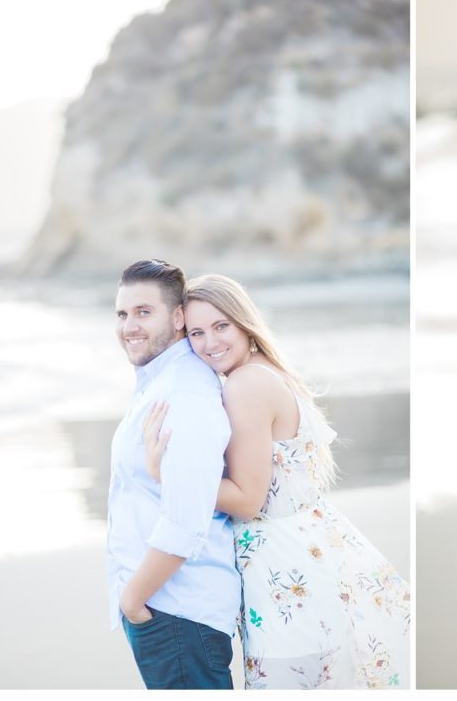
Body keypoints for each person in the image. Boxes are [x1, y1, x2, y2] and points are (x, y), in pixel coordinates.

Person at [143, 273, 410, 689]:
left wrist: (168, 476)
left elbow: (249, 500)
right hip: (316, 551)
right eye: (196, 332)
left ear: (244, 323)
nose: (210, 342)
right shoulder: (267, 371)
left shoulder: (245, 386)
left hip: (285, 573)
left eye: (221, 326)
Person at [107, 259, 240, 689]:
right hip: (164, 606)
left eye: (145, 312)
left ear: (179, 317)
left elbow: (187, 518)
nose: (129, 326)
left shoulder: (183, 393)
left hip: (176, 611)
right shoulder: (157, 382)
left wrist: (134, 599)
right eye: (123, 313)